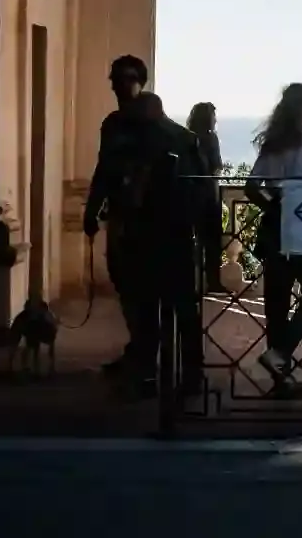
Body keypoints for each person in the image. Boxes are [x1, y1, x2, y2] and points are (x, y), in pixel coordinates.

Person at [118, 93, 209, 397]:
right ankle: (191, 374)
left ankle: (148, 375)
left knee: (148, 308)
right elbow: (203, 186)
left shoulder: (140, 141)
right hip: (179, 232)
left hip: (149, 233)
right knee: (184, 309)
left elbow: (132, 190)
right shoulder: (187, 139)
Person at [245, 82, 302, 398]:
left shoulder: (272, 144)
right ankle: (280, 355)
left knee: (276, 304)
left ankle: (281, 374)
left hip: (274, 230)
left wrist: (275, 207)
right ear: (300, 108)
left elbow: (253, 186)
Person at [83, 54, 149, 375]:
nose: (118, 85)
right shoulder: (112, 124)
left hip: (148, 219)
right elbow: (104, 169)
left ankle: (145, 353)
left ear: (139, 81)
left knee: (143, 287)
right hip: (122, 216)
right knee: (124, 282)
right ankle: (139, 348)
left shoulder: (151, 125)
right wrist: (91, 209)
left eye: (126, 78)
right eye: (116, 79)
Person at [186, 101, 223, 293]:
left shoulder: (187, 137)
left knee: (196, 242)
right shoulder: (210, 139)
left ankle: (195, 283)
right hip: (210, 195)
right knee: (212, 242)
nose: (216, 120)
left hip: (192, 195)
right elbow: (216, 165)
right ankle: (213, 282)